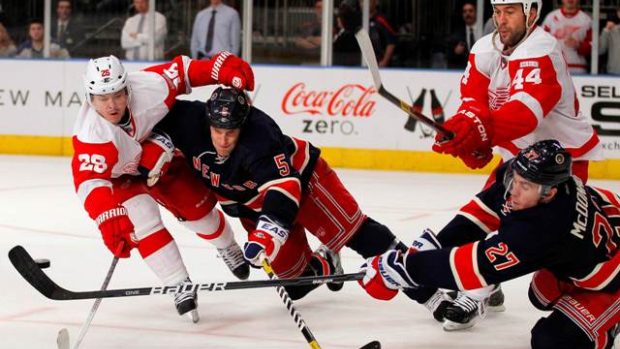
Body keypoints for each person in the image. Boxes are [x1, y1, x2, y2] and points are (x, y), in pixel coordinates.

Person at [430, 0, 603, 329]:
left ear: (532, 12)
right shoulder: (484, 48)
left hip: (561, 161)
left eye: (510, 11)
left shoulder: (542, 47)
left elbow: (525, 113)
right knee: (482, 215)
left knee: (548, 249)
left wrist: (482, 132)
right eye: (498, 12)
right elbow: (474, 104)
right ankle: (482, 287)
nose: (502, 19)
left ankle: (598, 297)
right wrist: (468, 135)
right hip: (519, 155)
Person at [153, 87, 409, 301]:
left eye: (231, 132)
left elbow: (283, 188)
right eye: (217, 131)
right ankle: (328, 261)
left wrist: (269, 233)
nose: (223, 140)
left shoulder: (259, 136)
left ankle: (430, 288)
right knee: (295, 288)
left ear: (243, 125)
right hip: (254, 206)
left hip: (303, 183)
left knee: (359, 236)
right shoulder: (187, 120)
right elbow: (144, 111)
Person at [360, 140, 620, 348]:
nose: (513, 191)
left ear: (548, 194)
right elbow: (480, 214)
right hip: (592, 248)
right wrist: (433, 245)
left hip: (611, 276)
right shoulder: (533, 182)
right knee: (540, 294)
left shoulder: (547, 229)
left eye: (524, 186)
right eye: (515, 179)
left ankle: (607, 324)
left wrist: (404, 269)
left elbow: (474, 267)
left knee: (551, 341)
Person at [72, 52, 254, 322]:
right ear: (90, 98)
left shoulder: (148, 88)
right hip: (118, 176)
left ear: (128, 88)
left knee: (197, 211)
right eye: (103, 98)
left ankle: (227, 246)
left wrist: (217, 69)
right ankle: (179, 284)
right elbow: (89, 181)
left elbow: (183, 72)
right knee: (144, 221)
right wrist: (108, 216)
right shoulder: (92, 134)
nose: (112, 105)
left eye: (118, 95)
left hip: (158, 156)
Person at [543, 0, 592, 74]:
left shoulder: (586, 20)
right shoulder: (550, 17)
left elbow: (594, 47)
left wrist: (579, 45)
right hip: (554, 67)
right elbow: (540, 42)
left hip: (578, 68)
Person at [446, 2, 481, 69]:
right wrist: (455, 52)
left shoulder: (483, 30)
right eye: (465, 12)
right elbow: (449, 57)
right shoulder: (457, 34)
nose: (467, 14)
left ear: (476, 12)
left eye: (470, 11)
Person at [367, 0, 397, 67]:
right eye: (361, 1)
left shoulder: (382, 19)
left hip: (380, 64)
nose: (364, 4)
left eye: (368, 1)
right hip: (364, 64)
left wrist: (384, 61)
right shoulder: (360, 20)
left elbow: (391, 42)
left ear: (375, 2)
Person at [599, 7, 620, 75]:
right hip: (614, 74)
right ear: (618, 13)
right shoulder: (611, 30)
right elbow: (600, 50)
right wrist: (606, 30)